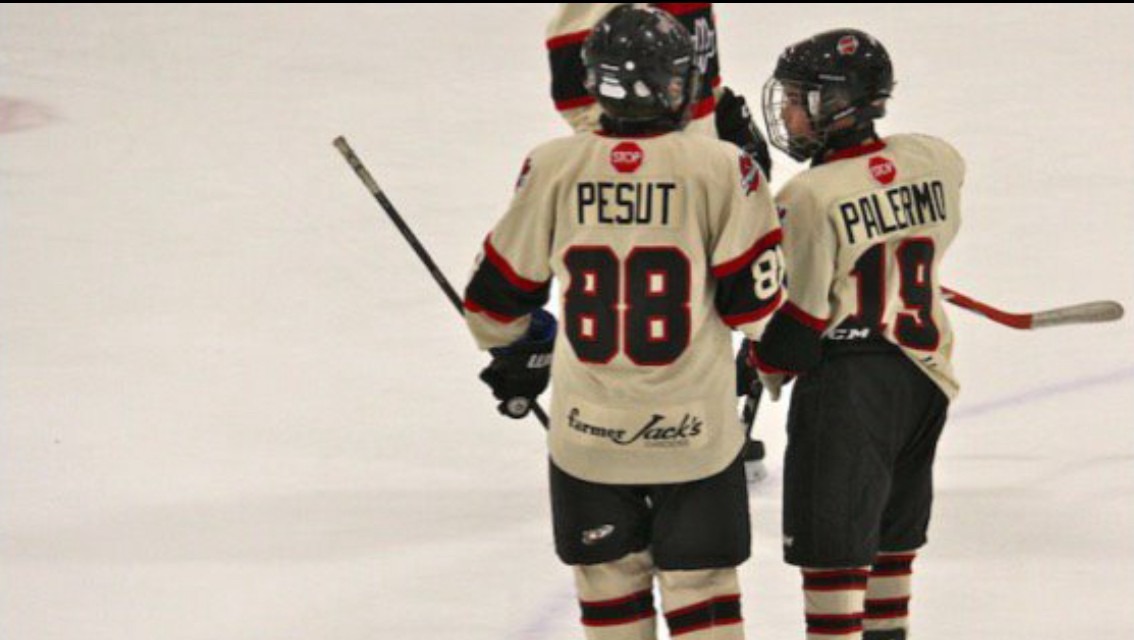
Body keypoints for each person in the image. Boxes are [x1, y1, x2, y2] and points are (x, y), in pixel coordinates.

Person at [463, 7, 783, 639]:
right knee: (702, 591)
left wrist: (524, 347)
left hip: (588, 441)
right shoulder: (720, 167)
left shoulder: (552, 166)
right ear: (676, 83)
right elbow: (756, 310)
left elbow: (493, 304)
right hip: (696, 435)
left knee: (609, 588)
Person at [747, 29, 964, 640]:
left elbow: (799, 327)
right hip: (924, 376)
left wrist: (758, 356)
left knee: (835, 563)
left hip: (848, 388)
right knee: (892, 549)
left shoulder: (807, 196)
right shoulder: (935, 157)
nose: (789, 113)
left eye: (800, 99)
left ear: (838, 103)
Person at [547, 2, 775, 482]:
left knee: (719, 296)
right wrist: (665, 168)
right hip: (649, 189)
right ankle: (639, 431)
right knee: (672, 302)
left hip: (702, 171)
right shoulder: (590, 12)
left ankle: (709, 420)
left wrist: (722, 121)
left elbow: (698, 77)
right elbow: (592, 116)